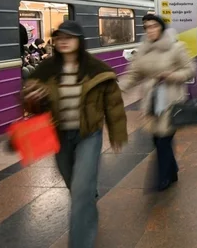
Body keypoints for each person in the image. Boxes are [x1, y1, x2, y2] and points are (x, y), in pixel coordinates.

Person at [22, 20, 127, 248]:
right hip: (59, 135)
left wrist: (118, 133)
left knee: (80, 192)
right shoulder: (46, 70)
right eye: (59, 38)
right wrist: (33, 98)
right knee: (73, 184)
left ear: (79, 41)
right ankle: (88, 196)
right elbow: (28, 102)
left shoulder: (97, 70)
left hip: (88, 134)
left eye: (69, 37)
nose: (64, 41)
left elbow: (114, 105)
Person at [121, 14, 194, 191]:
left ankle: (163, 178)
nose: (151, 30)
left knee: (163, 139)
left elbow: (190, 70)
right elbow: (134, 74)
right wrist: (118, 88)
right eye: (147, 27)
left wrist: (172, 75)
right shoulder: (143, 50)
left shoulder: (176, 47)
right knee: (157, 139)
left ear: (161, 27)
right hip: (152, 100)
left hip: (171, 100)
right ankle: (173, 169)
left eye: (154, 26)